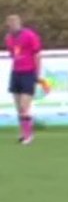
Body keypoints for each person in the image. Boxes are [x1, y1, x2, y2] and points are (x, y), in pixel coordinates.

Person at [5, 15, 42, 145]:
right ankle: (23, 133)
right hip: (16, 73)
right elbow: (13, 55)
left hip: (28, 73)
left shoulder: (30, 35)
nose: (13, 25)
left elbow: (37, 55)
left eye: (15, 23)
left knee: (24, 106)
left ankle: (29, 135)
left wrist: (37, 74)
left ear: (19, 23)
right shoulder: (8, 38)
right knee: (18, 107)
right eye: (10, 24)